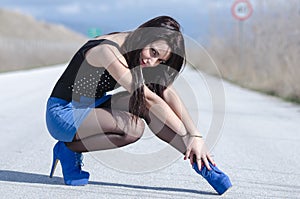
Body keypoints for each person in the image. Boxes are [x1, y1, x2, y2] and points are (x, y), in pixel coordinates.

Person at [46, 16, 231, 194]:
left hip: (94, 104)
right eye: (153, 52)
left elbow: (165, 91)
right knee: (132, 128)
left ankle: (203, 166)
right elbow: (148, 98)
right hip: (63, 112)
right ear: (145, 36)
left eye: (160, 61)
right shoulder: (107, 51)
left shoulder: (136, 49)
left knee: (149, 98)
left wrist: (196, 135)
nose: (152, 62)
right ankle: (67, 149)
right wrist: (186, 134)